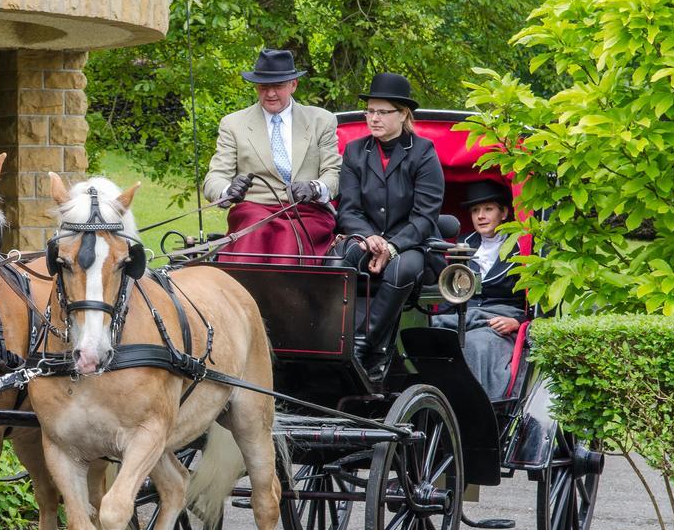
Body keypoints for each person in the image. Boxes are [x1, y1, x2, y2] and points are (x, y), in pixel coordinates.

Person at [333, 72, 445, 379]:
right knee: (339, 260)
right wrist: (368, 238)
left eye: (383, 112)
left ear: (403, 113)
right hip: (365, 238)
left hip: (411, 244)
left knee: (400, 268)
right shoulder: (356, 151)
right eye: (370, 111)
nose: (373, 118)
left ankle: (363, 345)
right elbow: (348, 208)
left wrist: (392, 245)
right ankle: (330, 342)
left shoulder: (423, 152)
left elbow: (425, 216)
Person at [203, 48, 341, 264]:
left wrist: (314, 187)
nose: (270, 94)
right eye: (263, 87)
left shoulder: (321, 120)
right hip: (255, 210)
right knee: (254, 229)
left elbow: (333, 174)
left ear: (293, 85)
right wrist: (228, 190)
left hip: (306, 212)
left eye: (278, 86)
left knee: (290, 234)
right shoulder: (233, 124)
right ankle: (242, 294)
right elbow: (214, 179)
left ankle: (287, 296)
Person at [432, 179, 529, 400]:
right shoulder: (461, 244)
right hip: (461, 317)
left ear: (504, 213)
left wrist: (519, 322)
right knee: (430, 334)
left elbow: (532, 300)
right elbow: (449, 291)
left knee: (475, 345)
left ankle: (477, 406)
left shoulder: (520, 246)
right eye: (475, 210)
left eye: (488, 209)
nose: (480, 216)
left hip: (500, 321)